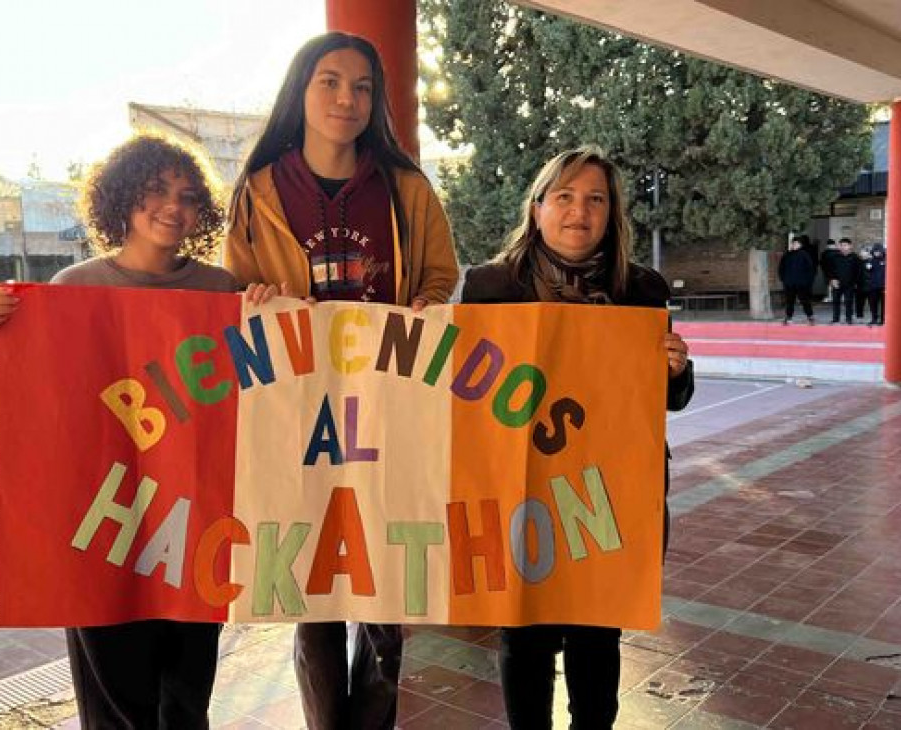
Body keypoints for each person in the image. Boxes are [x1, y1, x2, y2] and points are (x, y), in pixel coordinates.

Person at [0, 133, 279, 729]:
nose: (173, 205)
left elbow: (267, 392)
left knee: (188, 698)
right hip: (100, 525)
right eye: (155, 191)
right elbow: (39, 398)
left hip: (193, 528)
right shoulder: (71, 288)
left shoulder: (222, 291)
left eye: (188, 196)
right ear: (121, 199)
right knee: (115, 705)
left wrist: (270, 311)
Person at [223, 31, 459, 730]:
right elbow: (230, 292)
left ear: (375, 102)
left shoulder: (407, 190)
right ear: (300, 91)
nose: (346, 98)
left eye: (361, 87)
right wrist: (251, 301)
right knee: (315, 591)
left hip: (389, 409)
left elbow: (443, 279)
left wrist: (431, 305)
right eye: (329, 81)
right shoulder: (259, 192)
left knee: (388, 591)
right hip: (296, 413)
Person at [460, 146, 694, 730]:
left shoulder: (641, 288)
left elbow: (671, 401)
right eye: (563, 197)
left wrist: (675, 368)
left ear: (612, 214)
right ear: (538, 208)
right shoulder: (489, 287)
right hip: (523, 488)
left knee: (597, 632)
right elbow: (460, 392)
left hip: (610, 491)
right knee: (525, 632)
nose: (578, 212)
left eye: (595, 199)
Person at [778, 235, 816, 325]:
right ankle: (789, 317)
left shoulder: (804, 255)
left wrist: (808, 281)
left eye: (796, 243)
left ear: (800, 245)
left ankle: (810, 317)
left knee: (805, 301)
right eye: (793, 243)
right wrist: (783, 279)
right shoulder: (787, 255)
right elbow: (781, 268)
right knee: (789, 301)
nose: (794, 245)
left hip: (802, 284)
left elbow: (810, 269)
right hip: (789, 283)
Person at [827, 238, 862, 324]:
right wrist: (832, 279)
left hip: (850, 283)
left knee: (849, 301)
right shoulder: (835, 257)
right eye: (841, 245)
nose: (843, 247)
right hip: (837, 283)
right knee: (835, 301)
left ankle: (848, 318)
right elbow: (830, 270)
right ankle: (835, 318)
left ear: (850, 246)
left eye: (845, 245)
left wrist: (856, 282)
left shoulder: (855, 258)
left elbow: (859, 271)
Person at [866, 243, 887, 326]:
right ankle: (874, 319)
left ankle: (883, 320)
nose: (876, 253)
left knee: (883, 305)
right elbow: (867, 271)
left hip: (883, 286)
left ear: (881, 251)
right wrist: (867, 266)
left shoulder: (886, 260)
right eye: (875, 251)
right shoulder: (871, 261)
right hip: (873, 286)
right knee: (873, 304)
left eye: (878, 251)